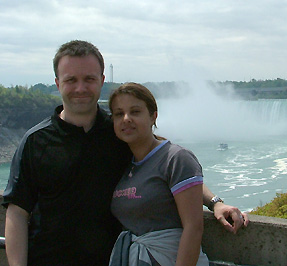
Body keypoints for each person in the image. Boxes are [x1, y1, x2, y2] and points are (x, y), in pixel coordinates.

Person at [2, 40, 248, 266]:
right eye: (70, 80)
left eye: (89, 78)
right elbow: (17, 211)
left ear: (101, 80)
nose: (80, 88)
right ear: (57, 84)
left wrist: (215, 203)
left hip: (112, 259)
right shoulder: (36, 141)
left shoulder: (118, 131)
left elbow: (168, 163)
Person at [108, 82, 209, 265]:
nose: (126, 118)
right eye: (118, 114)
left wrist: (215, 202)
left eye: (135, 111)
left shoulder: (176, 158)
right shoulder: (123, 163)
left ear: (153, 116)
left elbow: (193, 227)